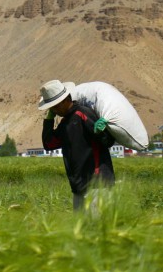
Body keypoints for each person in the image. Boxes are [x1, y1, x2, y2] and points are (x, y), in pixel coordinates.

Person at [38, 80, 115, 211]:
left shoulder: (83, 114)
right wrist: (49, 120)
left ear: (65, 100)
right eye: (51, 108)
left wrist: (100, 133)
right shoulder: (65, 122)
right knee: (82, 230)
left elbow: (108, 141)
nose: (54, 110)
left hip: (97, 184)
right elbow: (49, 144)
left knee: (96, 229)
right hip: (79, 187)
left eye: (55, 106)